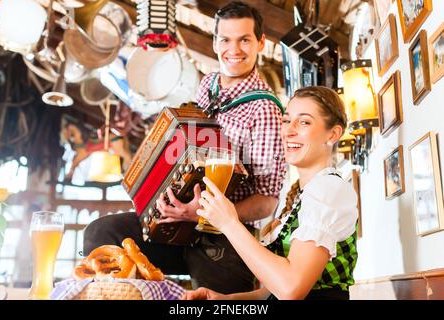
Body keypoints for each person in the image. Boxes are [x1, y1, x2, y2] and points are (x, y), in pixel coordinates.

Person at [83, 1, 286, 294]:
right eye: (226, 39)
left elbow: (267, 201)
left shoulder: (265, 108)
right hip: (178, 227)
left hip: (224, 240)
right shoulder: (209, 86)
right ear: (215, 42)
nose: (234, 49)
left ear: (261, 43)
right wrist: (164, 199)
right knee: (102, 233)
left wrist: (201, 214)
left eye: (245, 39)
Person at [182, 86, 359, 300]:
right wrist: (224, 300)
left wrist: (229, 223)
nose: (288, 130)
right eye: (286, 120)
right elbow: (272, 292)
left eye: (304, 122)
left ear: (333, 134)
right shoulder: (301, 197)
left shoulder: (329, 190)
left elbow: (291, 289)